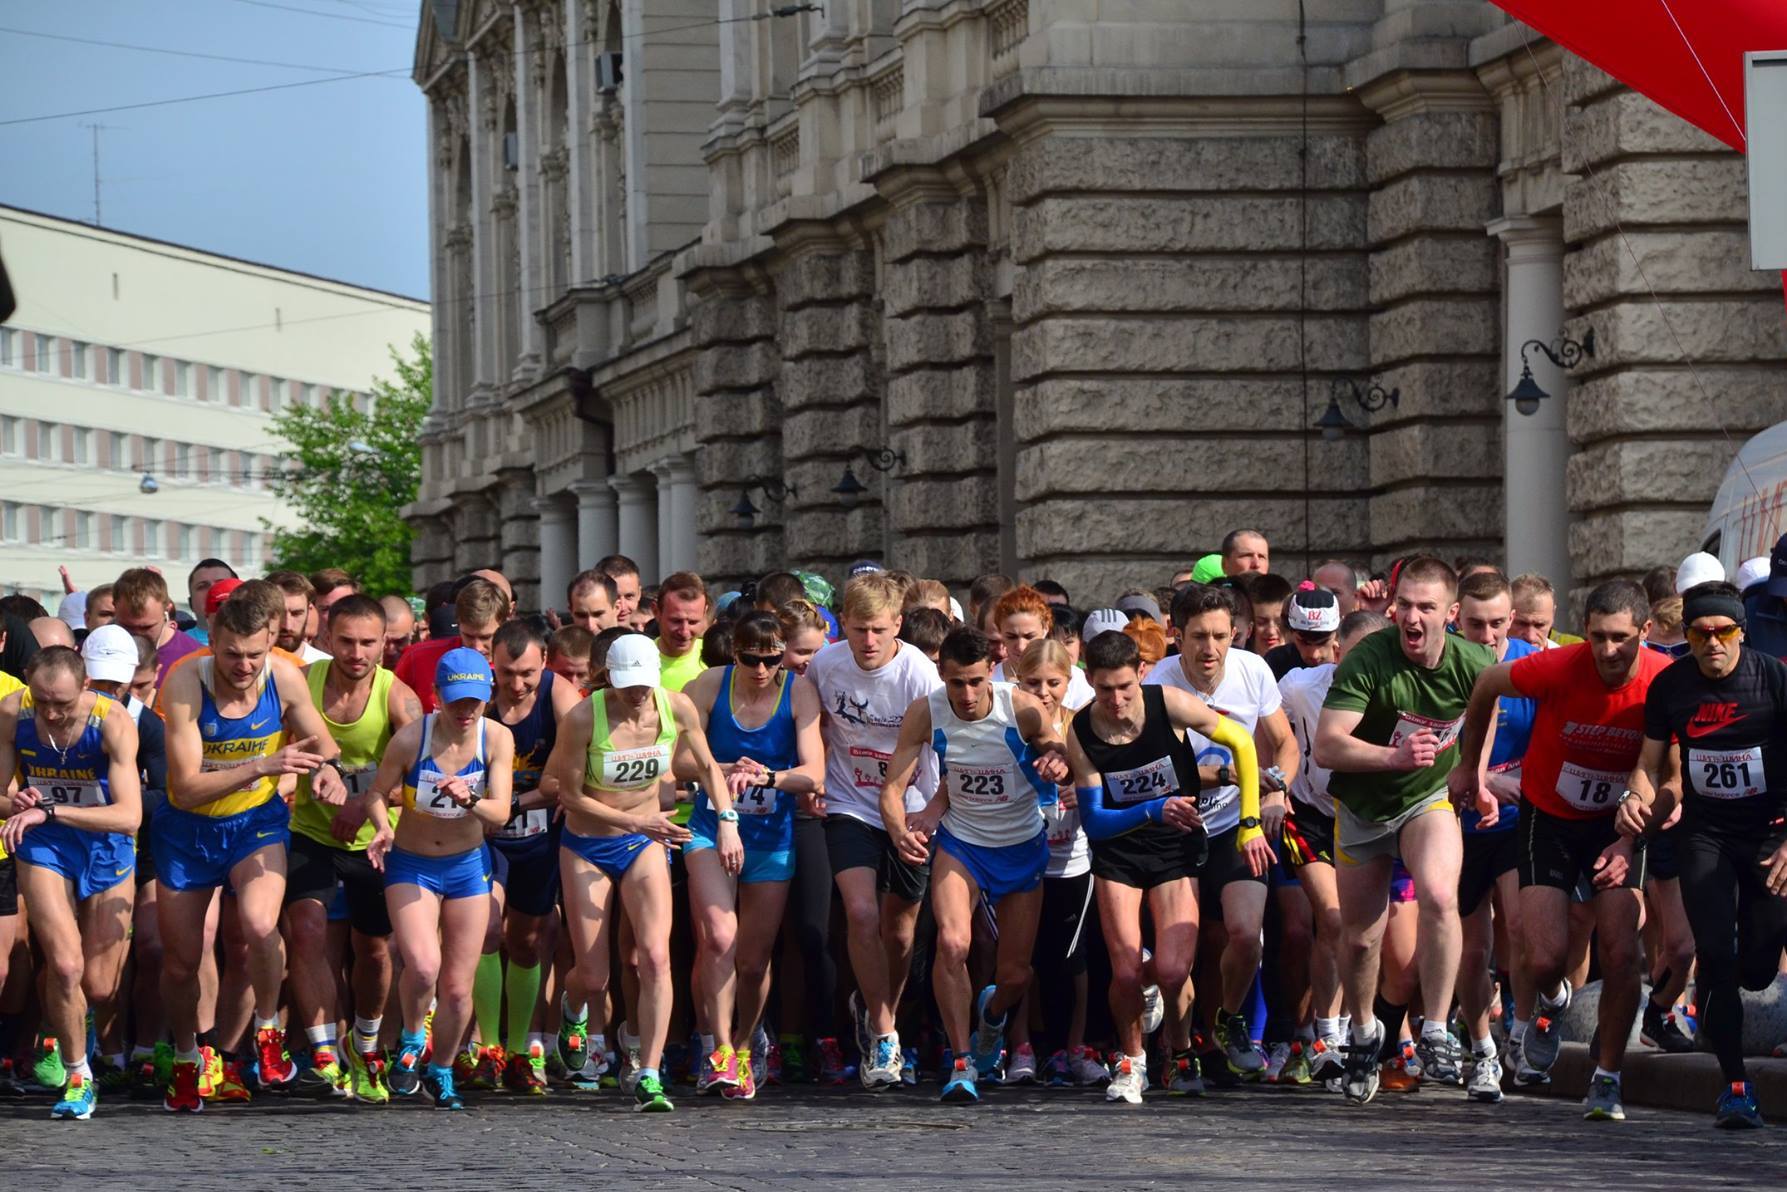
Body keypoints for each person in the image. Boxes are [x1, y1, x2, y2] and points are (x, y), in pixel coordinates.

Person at [1450, 578, 1662, 1120]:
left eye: (1620, 638)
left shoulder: (1665, 680)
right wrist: (1468, 768)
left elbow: (1669, 774)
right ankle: (1550, 1003)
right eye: (1597, 637)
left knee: (1620, 952)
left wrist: (1632, 827)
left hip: (1619, 825)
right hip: (1550, 816)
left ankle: (1608, 1077)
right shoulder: (1559, 666)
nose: (1608, 651)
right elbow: (1487, 685)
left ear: (1646, 632)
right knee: (1542, 957)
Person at [156, 589, 350, 1112]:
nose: (242, 666)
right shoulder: (184, 685)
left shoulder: (283, 678)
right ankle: (183, 1056)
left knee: (262, 925)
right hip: (188, 832)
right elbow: (186, 787)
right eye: (231, 654)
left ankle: (267, 1032)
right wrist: (263, 766)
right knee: (180, 963)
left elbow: (322, 740)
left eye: (253, 654)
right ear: (211, 642)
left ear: (270, 643)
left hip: (254, 827)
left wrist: (329, 770)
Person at [1314, 555, 1494, 1104]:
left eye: (1426, 608)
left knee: (1441, 894)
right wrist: (1392, 758)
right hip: (1365, 807)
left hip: (1427, 799)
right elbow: (1326, 746)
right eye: (1404, 606)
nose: (1412, 619)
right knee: (1362, 937)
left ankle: (1436, 1029)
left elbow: (1486, 710)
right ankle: (1365, 1031)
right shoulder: (1369, 657)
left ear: (1452, 613)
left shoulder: (1474, 662)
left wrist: (1474, 773)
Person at [1062, 630, 1268, 1104]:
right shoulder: (1083, 731)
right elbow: (1094, 822)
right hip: (1119, 850)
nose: (1116, 700)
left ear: (1141, 674)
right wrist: (1154, 809)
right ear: (1089, 680)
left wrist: (1250, 821)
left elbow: (1242, 743)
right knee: (1127, 973)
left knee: (1174, 971)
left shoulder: (1169, 704)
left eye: (1125, 687)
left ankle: (1178, 1051)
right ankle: (1133, 1062)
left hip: (1175, 849)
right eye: (1104, 689)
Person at [1616, 580, 1787, 1129]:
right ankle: (1736, 1085)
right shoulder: (1671, 687)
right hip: (1705, 833)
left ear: (1741, 631)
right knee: (1714, 953)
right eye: (1699, 633)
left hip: (1768, 834)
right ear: (1686, 636)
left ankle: (1725, 1007)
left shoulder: (1774, 679)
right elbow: (1647, 761)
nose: (1712, 643)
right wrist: (1634, 798)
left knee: (1758, 970)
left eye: (1724, 632)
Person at [543, 632, 738, 1113]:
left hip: (644, 842)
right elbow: (568, 796)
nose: (637, 694)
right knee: (593, 976)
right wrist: (635, 820)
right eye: (627, 684)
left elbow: (710, 767)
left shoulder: (675, 707)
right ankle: (572, 1011)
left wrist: (728, 822)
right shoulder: (584, 717)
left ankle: (648, 1071)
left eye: (644, 684)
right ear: (607, 676)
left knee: (654, 957)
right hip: (588, 844)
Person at [878, 627, 1069, 1104]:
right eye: (956, 682)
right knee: (952, 943)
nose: (966, 694)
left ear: (992, 673)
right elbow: (892, 790)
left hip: (1022, 844)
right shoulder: (926, 711)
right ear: (941, 673)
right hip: (963, 843)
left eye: (976, 682)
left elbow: (1058, 748)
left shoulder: (1021, 706)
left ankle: (993, 1017)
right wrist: (901, 831)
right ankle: (961, 1060)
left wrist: (1057, 762)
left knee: (1015, 975)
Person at [1144, 583, 1296, 1081]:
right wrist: (1233, 775)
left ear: (1236, 633)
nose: (1209, 649)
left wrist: (1276, 792)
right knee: (1177, 961)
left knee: (1246, 935)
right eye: (1197, 637)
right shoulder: (1159, 685)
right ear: (1176, 635)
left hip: (1236, 823)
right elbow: (1170, 773)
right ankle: (1178, 1046)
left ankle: (1230, 1021)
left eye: (1219, 636)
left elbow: (1285, 745)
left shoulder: (1253, 670)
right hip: (1178, 830)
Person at [282, 595, 421, 1104]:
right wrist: (314, 769)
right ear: (326, 639)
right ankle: (322, 1051)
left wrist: (363, 800)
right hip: (311, 830)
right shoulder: (302, 685)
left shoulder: (397, 697)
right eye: (346, 641)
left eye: (368, 643)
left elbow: (421, 776)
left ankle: (364, 1043)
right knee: (307, 930)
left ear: (385, 643)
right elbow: (280, 746)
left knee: (375, 951)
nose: (357, 653)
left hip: (378, 839)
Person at [363, 648, 514, 1110]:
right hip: (412, 864)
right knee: (424, 965)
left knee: (456, 987)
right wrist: (384, 828)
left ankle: (443, 1067)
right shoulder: (412, 739)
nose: (466, 711)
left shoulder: (497, 739)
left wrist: (469, 798)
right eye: (456, 702)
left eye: (475, 701)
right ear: (437, 698)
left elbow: (501, 813)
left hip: (468, 865)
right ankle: (411, 1037)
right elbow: (374, 793)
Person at [806, 575, 942, 1089]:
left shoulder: (919, 674)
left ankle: (879, 1009)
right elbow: (814, 721)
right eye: (859, 629)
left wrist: (931, 809)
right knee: (860, 913)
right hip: (849, 804)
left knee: (902, 931)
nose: (868, 641)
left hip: (911, 810)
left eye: (879, 630)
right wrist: (812, 772)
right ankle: (885, 1036)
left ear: (898, 626)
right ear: (844, 625)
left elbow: (948, 751)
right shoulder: (827, 663)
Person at [682, 611, 824, 1101]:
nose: (762, 670)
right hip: (709, 827)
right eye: (751, 660)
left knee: (754, 957)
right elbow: (680, 760)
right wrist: (723, 769)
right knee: (720, 937)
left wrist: (766, 777)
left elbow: (815, 773)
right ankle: (718, 1050)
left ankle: (746, 1045)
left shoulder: (798, 692)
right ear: (734, 653)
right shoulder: (707, 687)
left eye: (771, 660)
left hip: (771, 835)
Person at [0, 646, 143, 1119]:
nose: (52, 713)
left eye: (61, 702)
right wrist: (19, 803)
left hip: (104, 845)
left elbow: (129, 815)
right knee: (64, 966)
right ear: (27, 683)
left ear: (85, 686)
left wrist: (54, 808)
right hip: (44, 844)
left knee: (99, 987)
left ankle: (64, 1027)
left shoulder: (113, 721)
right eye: (42, 701)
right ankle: (78, 1075)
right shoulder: (11, 713)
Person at [1277, 610, 1388, 1086]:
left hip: (1362, 818)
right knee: (1334, 917)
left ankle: (1346, 1025)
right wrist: (1271, 784)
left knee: (1362, 929)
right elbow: (1270, 732)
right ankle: (1325, 1036)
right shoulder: (1301, 686)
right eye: (1358, 654)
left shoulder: (1394, 693)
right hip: (1308, 817)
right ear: (1337, 651)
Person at [1440, 569, 1539, 1105]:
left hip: (1513, 821)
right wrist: (1478, 780)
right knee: (1472, 947)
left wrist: (1517, 782)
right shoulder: (1441, 662)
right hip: (1454, 822)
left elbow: (1553, 738)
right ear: (1457, 619)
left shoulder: (1529, 663)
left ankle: (1521, 1032)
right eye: (1476, 625)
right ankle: (1482, 1051)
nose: (1490, 636)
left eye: (1499, 623)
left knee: (1523, 928)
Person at [473, 620, 580, 1093]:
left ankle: (520, 1052)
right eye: (506, 673)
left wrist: (514, 803)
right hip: (486, 835)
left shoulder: (560, 697)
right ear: (491, 664)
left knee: (528, 942)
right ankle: (485, 1050)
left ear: (545, 665)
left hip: (536, 834)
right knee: (487, 931)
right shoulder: (478, 696)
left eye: (527, 675)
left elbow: (563, 781)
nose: (516, 685)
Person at [1009, 639, 1108, 1087]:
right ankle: (1021, 1046)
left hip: (1072, 858)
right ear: (1016, 680)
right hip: (1019, 857)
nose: (1044, 691)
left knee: (1074, 957)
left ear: (1071, 681)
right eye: (1033, 682)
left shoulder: (1083, 726)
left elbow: (1108, 782)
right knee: (1020, 956)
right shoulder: (1009, 724)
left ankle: (1074, 1047)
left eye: (1054, 682)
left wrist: (1083, 792)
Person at [111, 569, 204, 688]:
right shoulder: (97, 651)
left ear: (167, 609)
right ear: (114, 607)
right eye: (127, 626)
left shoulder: (197, 658)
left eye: (146, 627)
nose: (137, 635)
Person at [654, 571, 709, 693]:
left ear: (705, 613)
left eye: (693, 622)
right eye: (676, 621)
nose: (684, 632)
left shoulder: (714, 658)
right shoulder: (639, 661)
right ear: (656, 612)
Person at [265, 571, 332, 665]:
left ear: (309, 611)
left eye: (296, 613)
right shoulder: (245, 668)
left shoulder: (328, 668)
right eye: (279, 614)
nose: (287, 625)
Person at [184, 560, 237, 647]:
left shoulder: (260, 639)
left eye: (221, 583)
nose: (213, 591)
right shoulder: (177, 646)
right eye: (202, 586)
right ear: (191, 603)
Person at [567, 570, 621, 634]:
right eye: (581, 616)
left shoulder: (634, 643)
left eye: (598, 614)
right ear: (570, 612)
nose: (590, 626)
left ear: (617, 608)